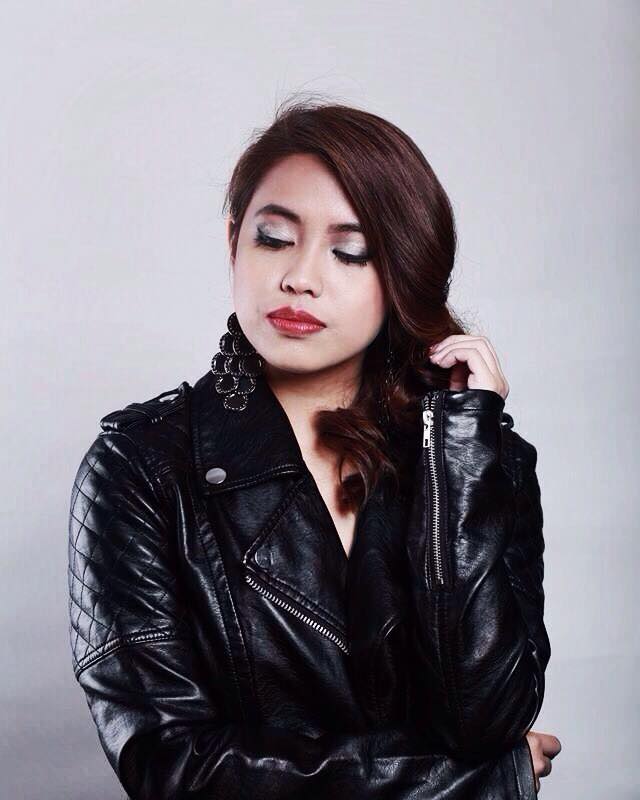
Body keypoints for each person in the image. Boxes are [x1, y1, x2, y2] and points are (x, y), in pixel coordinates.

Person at [68, 97, 562, 798]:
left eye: (350, 251)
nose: (300, 276)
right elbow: (173, 766)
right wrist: (477, 783)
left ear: (402, 273)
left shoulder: (482, 461)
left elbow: (486, 717)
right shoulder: (141, 467)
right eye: (273, 238)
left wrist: (459, 448)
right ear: (233, 242)